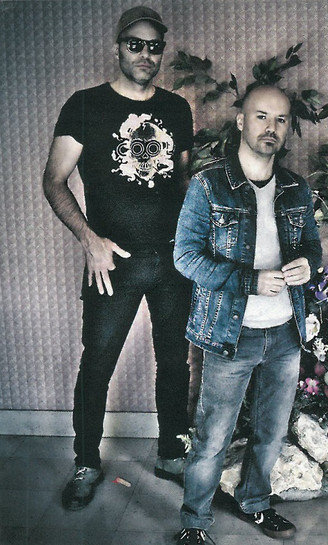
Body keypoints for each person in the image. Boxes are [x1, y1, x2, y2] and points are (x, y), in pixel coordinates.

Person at [42, 6, 193, 510]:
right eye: (135, 44)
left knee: (174, 361)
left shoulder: (177, 108)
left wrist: (195, 247)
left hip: (172, 261)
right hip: (112, 263)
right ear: (117, 48)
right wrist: (89, 239)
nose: (145, 54)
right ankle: (86, 462)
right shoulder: (85, 105)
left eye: (154, 46)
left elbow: (183, 183)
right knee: (98, 362)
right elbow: (54, 180)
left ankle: (172, 453)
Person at [173, 85, 322, 545]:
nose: (270, 128)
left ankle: (255, 503)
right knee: (212, 437)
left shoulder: (296, 187)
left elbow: (312, 247)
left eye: (280, 119)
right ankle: (195, 524)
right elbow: (185, 257)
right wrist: (248, 280)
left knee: (272, 432)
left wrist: (307, 265)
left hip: (286, 333)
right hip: (230, 335)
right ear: (241, 121)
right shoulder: (208, 185)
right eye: (261, 116)